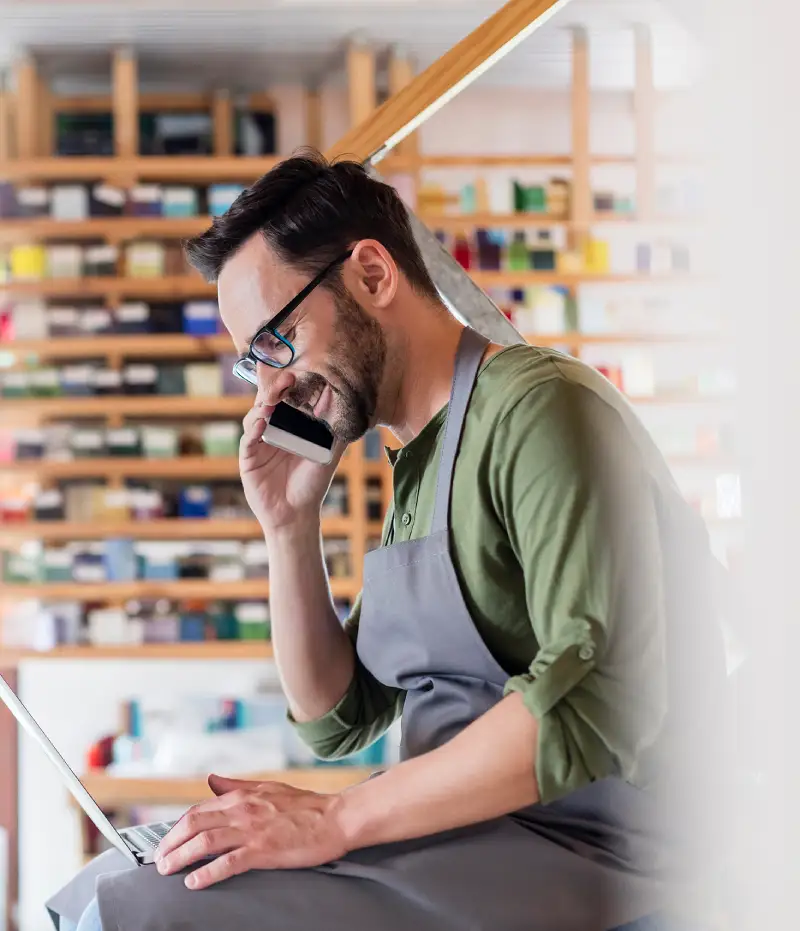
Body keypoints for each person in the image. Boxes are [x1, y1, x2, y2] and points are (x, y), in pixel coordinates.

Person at [48, 150, 727, 931]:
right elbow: (337, 713)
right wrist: (288, 529)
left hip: (596, 852)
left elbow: (592, 699)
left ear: (372, 274)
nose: (273, 388)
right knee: (126, 869)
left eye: (278, 339)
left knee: (153, 906)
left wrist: (334, 822)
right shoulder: (418, 460)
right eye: (252, 363)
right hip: (465, 841)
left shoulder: (540, 410)